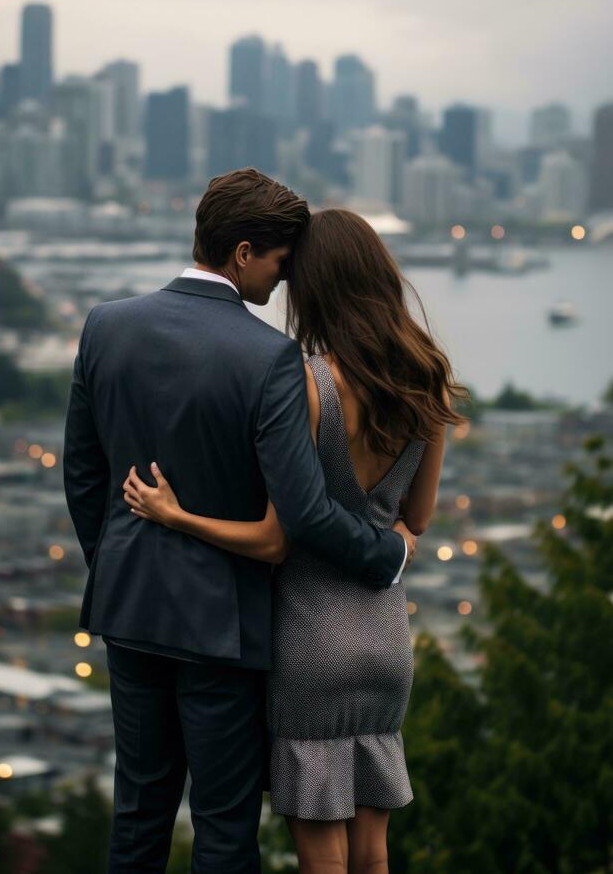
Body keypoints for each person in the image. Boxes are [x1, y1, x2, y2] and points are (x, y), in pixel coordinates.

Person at [63, 172, 413, 874]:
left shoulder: (107, 324)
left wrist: (121, 563)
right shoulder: (267, 357)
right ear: (246, 252)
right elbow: (306, 510)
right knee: (223, 828)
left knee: (138, 812)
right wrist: (386, 557)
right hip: (222, 623)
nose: (283, 284)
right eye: (281, 265)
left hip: (129, 610)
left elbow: (83, 474)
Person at [122, 207, 469, 873]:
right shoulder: (425, 375)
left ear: (316, 288)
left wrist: (177, 516)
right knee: (373, 853)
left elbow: (275, 536)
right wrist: (387, 533)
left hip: (309, 636)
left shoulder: (307, 383)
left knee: (322, 859)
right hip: (384, 638)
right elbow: (417, 519)